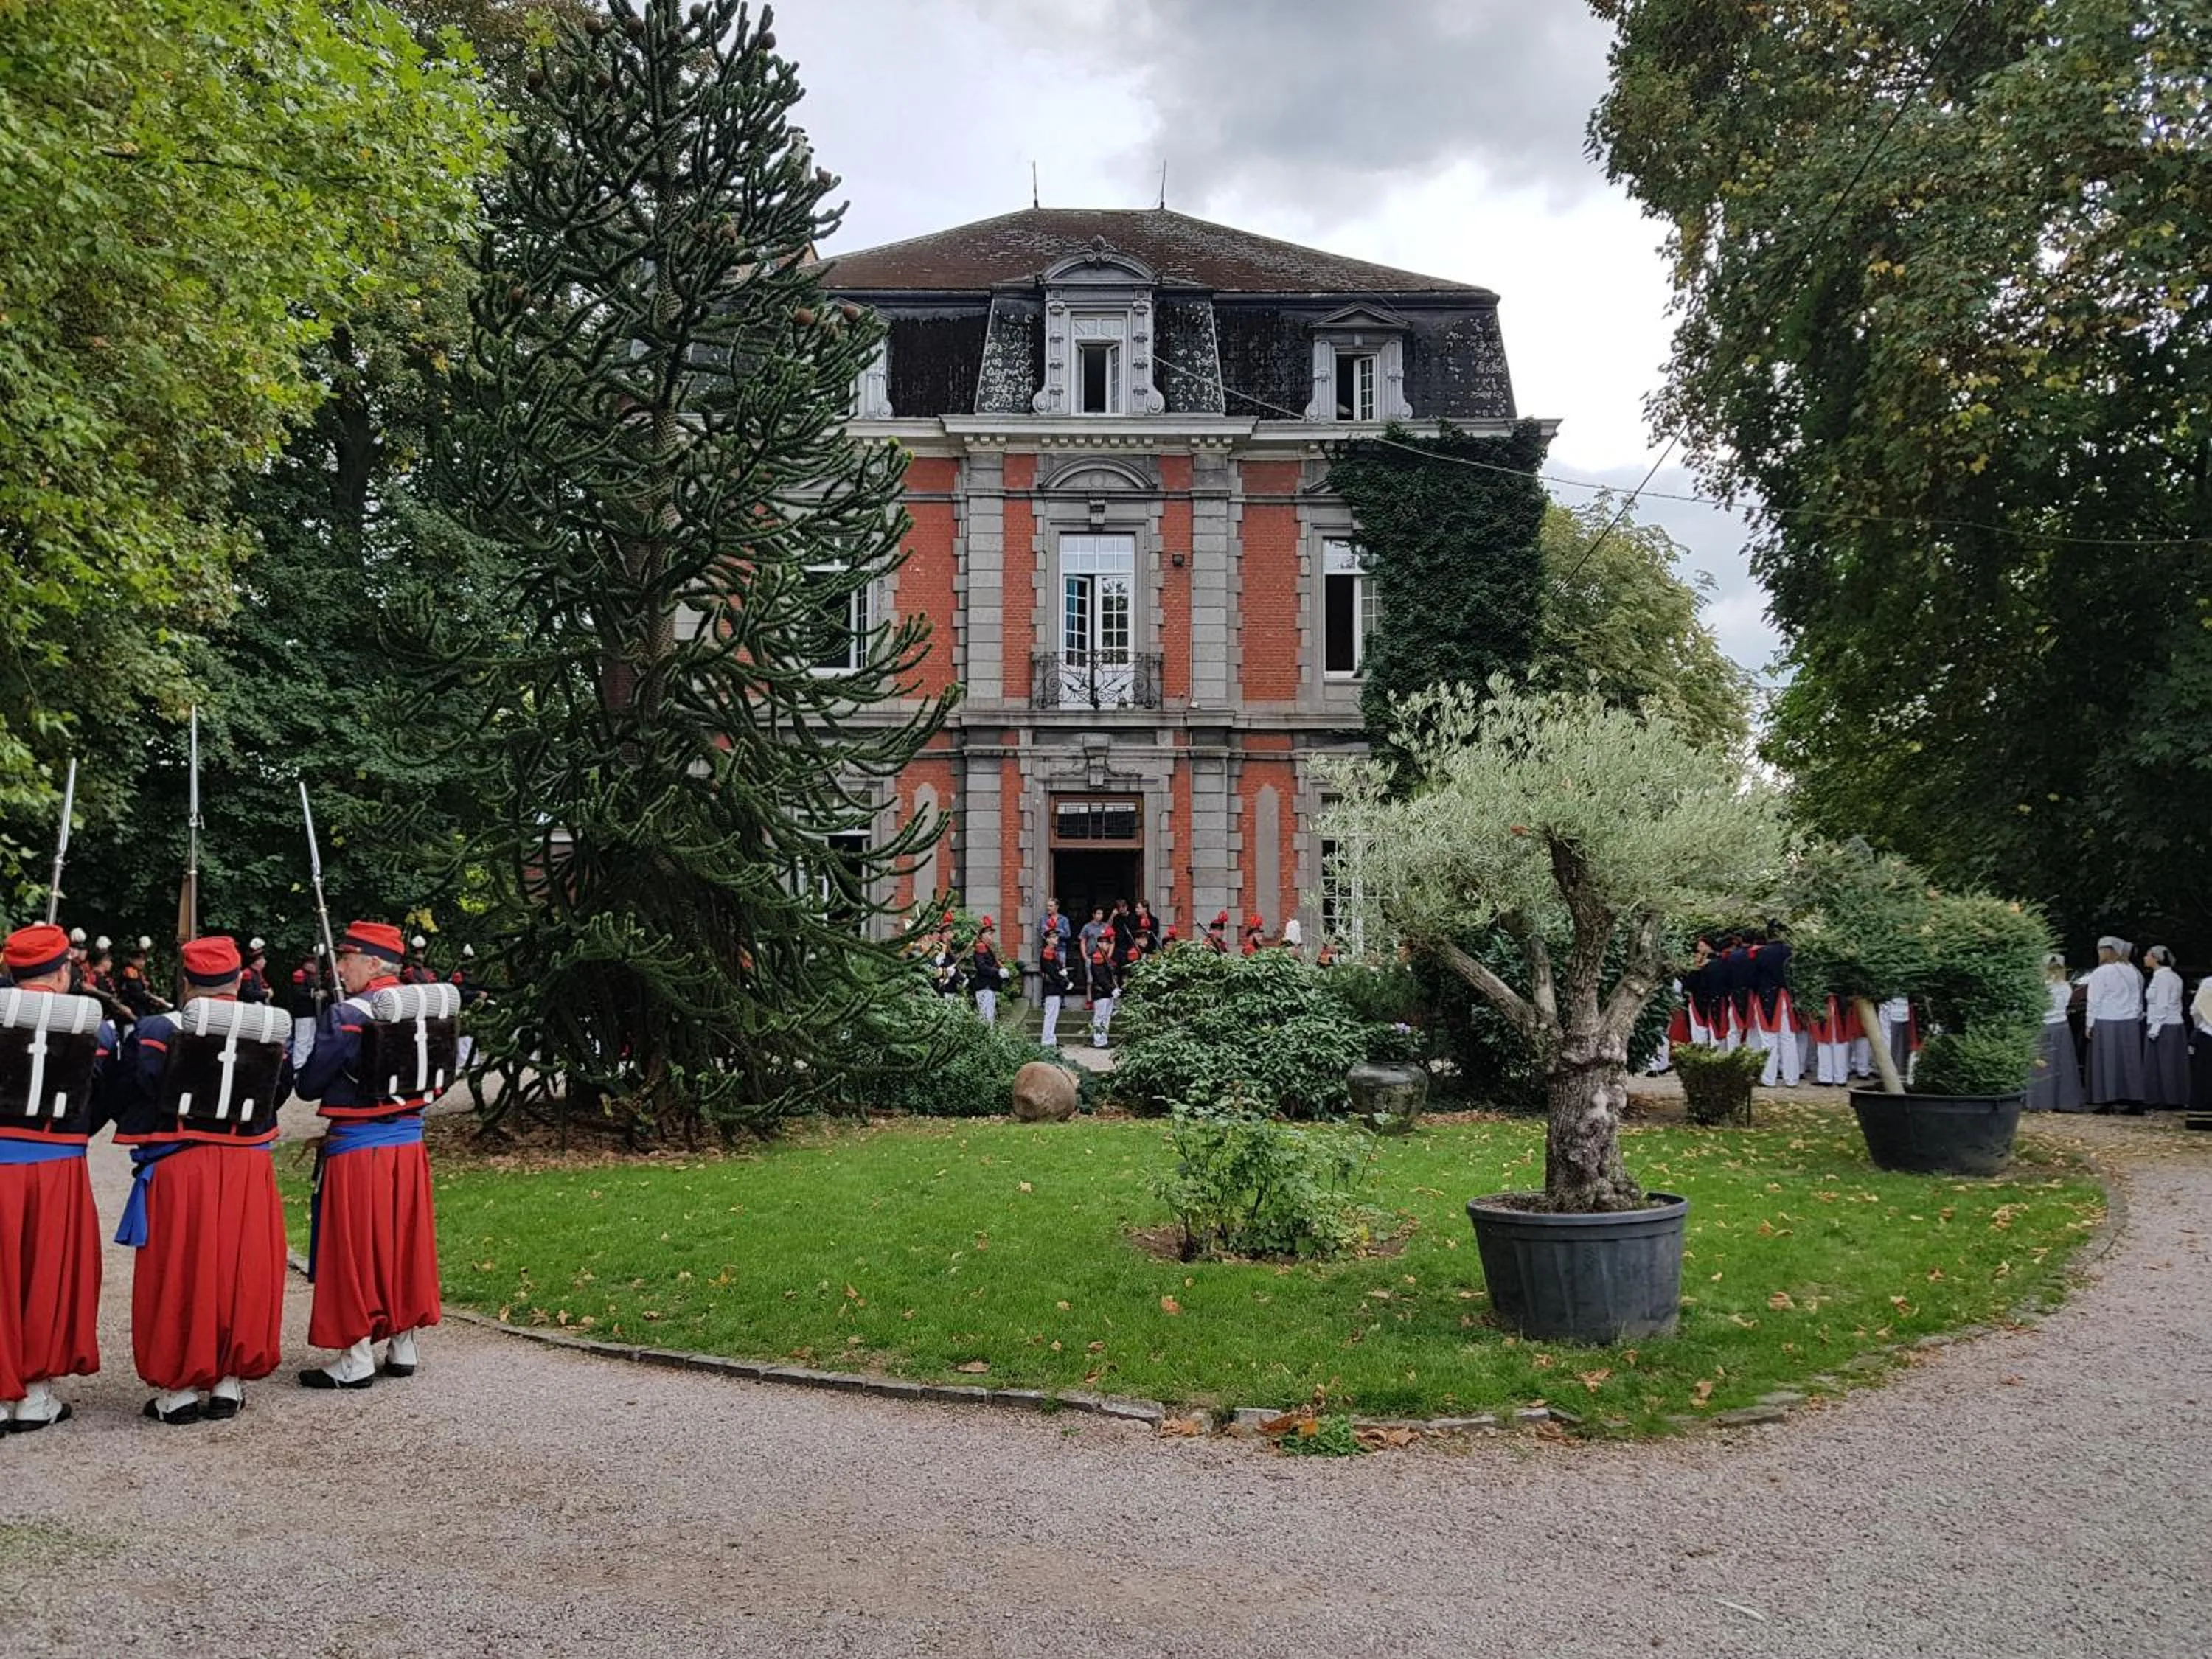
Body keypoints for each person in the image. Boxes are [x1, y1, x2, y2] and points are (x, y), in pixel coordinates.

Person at [113, 935, 291, 1425]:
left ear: (187, 982)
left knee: (179, 1269)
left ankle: (178, 1389)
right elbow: (283, 1090)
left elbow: (132, 1089)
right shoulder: (270, 1028)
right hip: (247, 1165)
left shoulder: (153, 1030)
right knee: (241, 1268)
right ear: (238, 979)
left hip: (180, 1165)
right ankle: (228, 1381)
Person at [294, 921, 443, 1389]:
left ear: (374, 963)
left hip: (359, 1148)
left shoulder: (347, 1016)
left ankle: (355, 1354)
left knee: (353, 1249)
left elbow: (309, 1084)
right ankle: (403, 1343)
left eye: (349, 957)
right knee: (404, 1242)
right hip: (409, 1143)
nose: (341, 966)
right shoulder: (426, 1008)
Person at [0, 922, 114, 1432]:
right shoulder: (98, 1026)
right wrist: (77, 1131)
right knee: (50, 1271)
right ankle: (37, 1390)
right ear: (65, 970)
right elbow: (108, 1095)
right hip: (59, 1158)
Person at [2084, 936, 2146, 1112]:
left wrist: (2090, 1023)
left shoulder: (2101, 972)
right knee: (2129, 1060)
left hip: (2106, 1019)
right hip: (2129, 1020)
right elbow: (2137, 997)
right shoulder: (2133, 971)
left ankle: (2107, 1099)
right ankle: (2135, 1099)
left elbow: (2094, 1000)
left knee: (2107, 1061)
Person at [2029, 952, 2087, 1112]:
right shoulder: (2065, 986)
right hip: (2061, 1026)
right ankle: (2064, 1100)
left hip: (2044, 1025)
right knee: (2062, 1065)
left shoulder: (2041, 987)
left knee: (2041, 1064)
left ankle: (2040, 1100)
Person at [1748, 927, 1802, 1087]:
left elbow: (1753, 978)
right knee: (1788, 1038)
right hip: (1787, 995)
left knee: (1769, 1038)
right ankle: (1792, 1078)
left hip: (1767, 996)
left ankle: (1768, 1078)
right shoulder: (1791, 951)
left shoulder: (1762, 954)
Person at [2142, 945, 2188, 1109]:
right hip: (2169, 1022)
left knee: (2165, 1064)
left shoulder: (2163, 978)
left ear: (2156, 958)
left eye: (2147, 955)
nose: (2145, 958)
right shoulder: (2170, 977)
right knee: (2168, 1063)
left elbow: (2163, 1004)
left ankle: (2166, 1098)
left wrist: (2156, 1027)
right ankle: (2170, 1097)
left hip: (2165, 1024)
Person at [2188, 971, 2212, 1132]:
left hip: (2207, 1033)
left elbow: (2195, 1010)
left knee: (2204, 1078)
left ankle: (2201, 1118)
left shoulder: (2208, 984)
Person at [1087, 931, 1119, 1048]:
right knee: (1100, 1017)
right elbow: (1101, 978)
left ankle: (1103, 1039)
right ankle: (1099, 1041)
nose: (1107, 945)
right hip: (1101, 992)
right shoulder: (1098, 957)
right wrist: (1111, 989)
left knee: (1106, 1017)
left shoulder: (1104, 957)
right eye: (1104, 943)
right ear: (1099, 943)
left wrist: (1114, 988)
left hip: (1107, 993)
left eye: (1108, 943)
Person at [970, 918, 1004, 1026]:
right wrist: (998, 972)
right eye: (989, 934)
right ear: (983, 935)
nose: (991, 937)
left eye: (991, 934)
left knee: (990, 1017)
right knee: (985, 1018)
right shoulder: (981, 948)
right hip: (984, 986)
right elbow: (982, 967)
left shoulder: (987, 948)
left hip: (990, 987)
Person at [1038, 934, 1070, 1048]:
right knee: (1050, 1015)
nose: (1056, 939)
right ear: (1047, 939)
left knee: (1053, 1015)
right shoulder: (1047, 953)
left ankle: (1051, 1039)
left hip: (1055, 989)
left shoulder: (1053, 952)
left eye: (1056, 936)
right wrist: (1064, 982)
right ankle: (1047, 1040)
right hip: (1051, 988)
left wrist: (1062, 971)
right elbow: (1052, 972)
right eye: (1053, 937)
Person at [1078, 906, 1108, 1004]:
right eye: (1098, 914)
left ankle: (1100, 998)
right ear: (1094, 915)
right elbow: (1083, 941)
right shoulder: (1087, 927)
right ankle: (1089, 1000)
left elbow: (1111, 939)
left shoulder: (1105, 926)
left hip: (1101, 957)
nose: (1100, 916)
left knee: (1101, 978)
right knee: (1089, 980)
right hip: (1090, 956)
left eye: (1102, 914)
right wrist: (1085, 956)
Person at [237, 938, 272, 1004]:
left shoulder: (258, 973)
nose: (265, 961)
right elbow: (249, 993)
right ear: (257, 961)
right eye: (262, 959)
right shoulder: (247, 973)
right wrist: (266, 994)